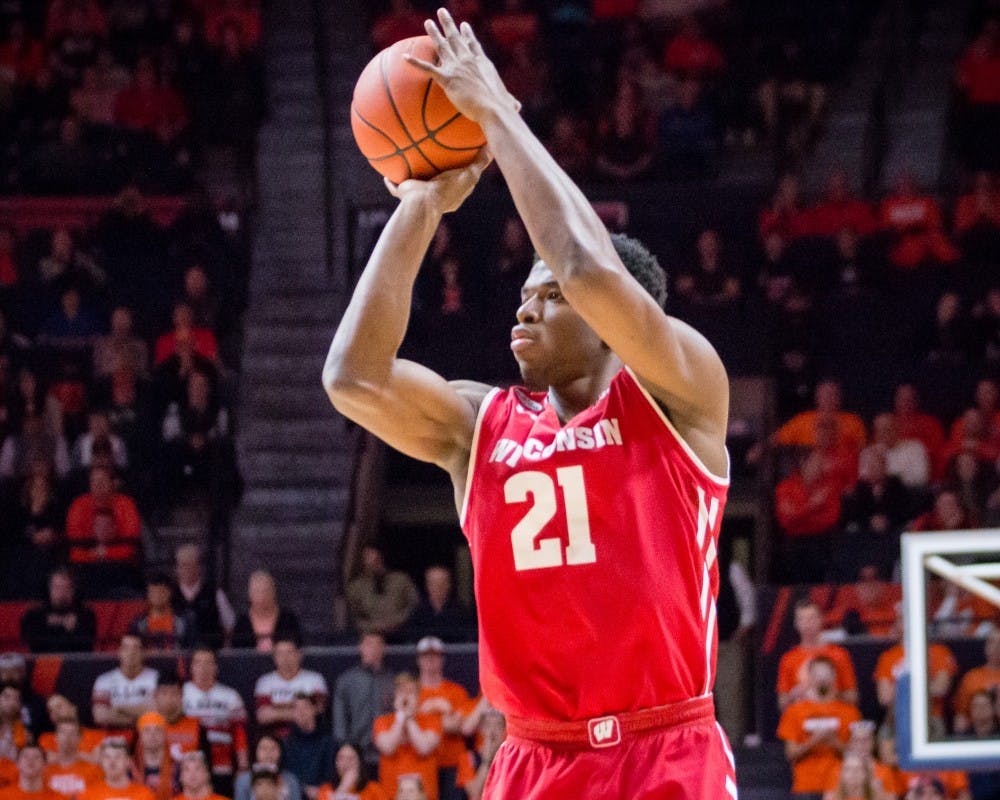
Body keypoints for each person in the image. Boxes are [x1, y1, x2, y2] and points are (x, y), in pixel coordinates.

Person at [323, 8, 734, 797]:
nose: (525, 307)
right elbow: (353, 378)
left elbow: (582, 263)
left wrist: (497, 113)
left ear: (619, 323)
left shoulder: (683, 397)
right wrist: (421, 206)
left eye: (544, 296)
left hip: (664, 749)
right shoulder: (482, 425)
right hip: (533, 759)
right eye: (523, 294)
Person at [777, 657, 862, 799]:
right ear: (809, 677)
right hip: (806, 786)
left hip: (841, 785)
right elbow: (790, 753)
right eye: (817, 674)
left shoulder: (849, 712)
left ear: (834, 676)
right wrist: (815, 740)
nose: (822, 679)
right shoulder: (794, 712)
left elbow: (859, 754)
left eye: (826, 674)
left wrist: (834, 742)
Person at [182, 648, 248, 796]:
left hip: (222, 766)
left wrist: (243, 767)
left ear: (215, 667)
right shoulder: (182, 694)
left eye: (208, 663)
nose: (203, 668)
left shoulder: (230, 696)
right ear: (191, 667)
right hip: (189, 767)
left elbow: (239, 734)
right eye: (198, 663)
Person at [414, 637, 471, 800]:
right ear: (419, 660)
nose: (430, 660)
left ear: (442, 659)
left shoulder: (456, 691)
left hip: (452, 764)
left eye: (435, 655)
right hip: (422, 763)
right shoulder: (412, 691)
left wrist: (427, 717)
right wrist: (445, 714)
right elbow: (410, 727)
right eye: (426, 655)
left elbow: (462, 726)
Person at [777, 599, 859, 712]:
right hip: (801, 718)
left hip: (834, 715)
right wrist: (793, 695)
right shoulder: (788, 659)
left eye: (811, 618)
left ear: (821, 619)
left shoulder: (839, 654)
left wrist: (831, 693)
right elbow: (782, 705)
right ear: (796, 624)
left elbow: (853, 697)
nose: (807, 624)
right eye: (802, 619)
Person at [332, 634, 394, 776]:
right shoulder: (346, 681)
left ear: (384, 648)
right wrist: (347, 750)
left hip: (386, 753)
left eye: (377, 644)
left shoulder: (392, 681)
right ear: (361, 647)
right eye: (368, 644)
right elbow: (340, 722)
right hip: (356, 754)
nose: (372, 649)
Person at [373, 674, 441, 800]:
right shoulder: (382, 721)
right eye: (402, 692)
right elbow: (388, 747)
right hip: (390, 795)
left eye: (411, 692)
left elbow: (424, 747)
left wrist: (409, 718)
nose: (406, 696)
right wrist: (400, 717)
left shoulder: (432, 720)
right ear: (395, 696)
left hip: (424, 795)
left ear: (418, 696)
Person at [253, 637, 329, 739]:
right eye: (280, 653)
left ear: (299, 654)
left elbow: (318, 710)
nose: (285, 658)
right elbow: (263, 716)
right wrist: (301, 711)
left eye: (289, 652)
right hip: (275, 740)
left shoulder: (314, 679)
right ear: (274, 657)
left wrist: (276, 711)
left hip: (308, 737)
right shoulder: (265, 682)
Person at [91, 635, 159, 742]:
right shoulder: (104, 680)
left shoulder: (155, 678)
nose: (131, 653)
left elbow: (157, 710)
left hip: (150, 736)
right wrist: (140, 715)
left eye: (136, 648)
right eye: (126, 648)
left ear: (144, 653)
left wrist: (119, 708)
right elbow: (100, 716)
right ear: (119, 652)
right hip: (113, 736)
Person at [344, 546, 419, 641]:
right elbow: (353, 617)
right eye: (369, 559)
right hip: (370, 637)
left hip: (401, 635)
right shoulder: (356, 588)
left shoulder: (401, 580)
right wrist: (373, 626)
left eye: (376, 559)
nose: (374, 564)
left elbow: (413, 606)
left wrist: (397, 622)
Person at [20, 568, 97, 653]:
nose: (61, 593)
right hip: (42, 662)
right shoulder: (35, 613)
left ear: (73, 591)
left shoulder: (86, 614)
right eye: (57, 588)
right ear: (49, 589)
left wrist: (72, 629)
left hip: (75, 662)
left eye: (66, 588)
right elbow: (28, 639)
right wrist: (60, 622)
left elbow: (87, 645)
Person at [173, 545, 235, 650]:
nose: (185, 569)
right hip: (178, 656)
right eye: (182, 565)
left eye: (189, 565)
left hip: (209, 655)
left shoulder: (215, 593)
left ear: (198, 567)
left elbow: (229, 624)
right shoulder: (171, 594)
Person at [231, 571, 301, 652]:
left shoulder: (288, 619)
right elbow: (236, 652)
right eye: (257, 591)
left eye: (265, 591)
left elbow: (296, 647)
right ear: (250, 594)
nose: (262, 596)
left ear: (273, 592)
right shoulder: (242, 622)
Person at [280, 695, 332, 800]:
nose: (301, 712)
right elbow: (284, 775)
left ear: (315, 709)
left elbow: (331, 774)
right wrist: (302, 788)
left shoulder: (329, 742)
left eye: (305, 707)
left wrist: (321, 790)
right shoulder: (285, 744)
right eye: (296, 708)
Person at [129, 575, 197, 652]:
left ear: (170, 593)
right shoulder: (139, 623)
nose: (157, 596)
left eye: (161, 591)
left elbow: (190, 649)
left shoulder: (184, 622)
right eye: (153, 592)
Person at [407, 567, 474, 643]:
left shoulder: (459, 611)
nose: (437, 588)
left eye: (442, 584)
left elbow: (466, 638)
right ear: (427, 585)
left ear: (449, 585)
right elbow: (411, 639)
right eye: (433, 584)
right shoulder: (418, 611)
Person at [952, 630, 1000, 734]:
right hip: (976, 734)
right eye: (992, 643)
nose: (996, 648)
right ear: (986, 646)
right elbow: (961, 713)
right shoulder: (972, 677)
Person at [43, 718, 103, 797]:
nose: (67, 737)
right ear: (55, 737)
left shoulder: (94, 770)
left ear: (80, 738)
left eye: (72, 733)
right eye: (63, 732)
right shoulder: (44, 771)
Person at [79, 740, 156, 800]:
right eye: (107, 757)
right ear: (102, 762)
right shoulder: (88, 795)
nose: (112, 762)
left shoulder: (145, 795)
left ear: (128, 762)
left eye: (118, 757)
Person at [232, 737, 301, 800]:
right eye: (264, 748)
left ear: (281, 752)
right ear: (255, 751)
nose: (268, 753)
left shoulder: (291, 779)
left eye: (273, 748)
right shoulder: (244, 779)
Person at [316, 742, 388, 800]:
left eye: (351, 759)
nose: (345, 763)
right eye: (341, 758)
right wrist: (342, 789)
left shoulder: (374, 789)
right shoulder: (326, 790)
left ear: (360, 763)